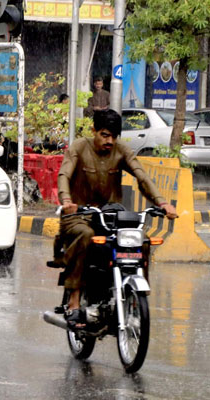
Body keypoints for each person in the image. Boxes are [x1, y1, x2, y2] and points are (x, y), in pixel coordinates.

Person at [57, 109, 177, 328]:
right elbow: (64, 174)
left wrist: (162, 203)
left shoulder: (122, 151)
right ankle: (74, 300)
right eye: (104, 135)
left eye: (114, 136)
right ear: (94, 130)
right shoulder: (78, 148)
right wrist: (66, 201)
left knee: (142, 240)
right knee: (85, 235)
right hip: (79, 215)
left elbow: (142, 176)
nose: (109, 141)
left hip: (111, 216)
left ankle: (135, 299)